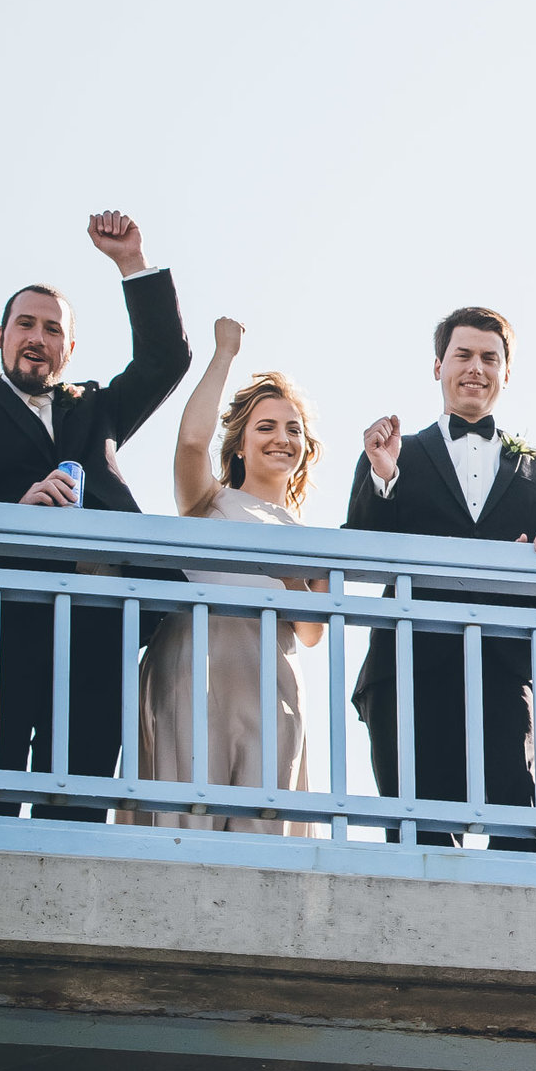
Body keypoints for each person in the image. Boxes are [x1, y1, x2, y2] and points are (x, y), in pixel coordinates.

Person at [0, 212, 193, 821]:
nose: (36, 338)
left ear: (69, 348)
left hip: (98, 630)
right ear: (0, 335)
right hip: (1, 625)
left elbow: (166, 358)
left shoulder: (95, 409)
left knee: (79, 809)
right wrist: (13, 513)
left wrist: (131, 263)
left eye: (51, 329)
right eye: (25, 324)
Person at [346, 307, 536, 852]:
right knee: (418, 842)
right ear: (437, 366)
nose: (476, 367)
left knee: (521, 840)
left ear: (506, 371)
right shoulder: (393, 456)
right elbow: (360, 551)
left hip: (502, 672)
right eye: (464, 355)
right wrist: (382, 477)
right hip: (407, 669)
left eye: (490, 358)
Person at [131, 320, 327, 835]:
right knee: (186, 827)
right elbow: (193, 442)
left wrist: (290, 580)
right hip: (195, 675)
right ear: (239, 444)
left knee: (262, 834)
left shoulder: (311, 537)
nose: (281, 438)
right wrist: (225, 352)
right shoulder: (209, 502)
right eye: (265, 427)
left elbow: (311, 632)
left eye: (293, 429)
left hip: (271, 686)